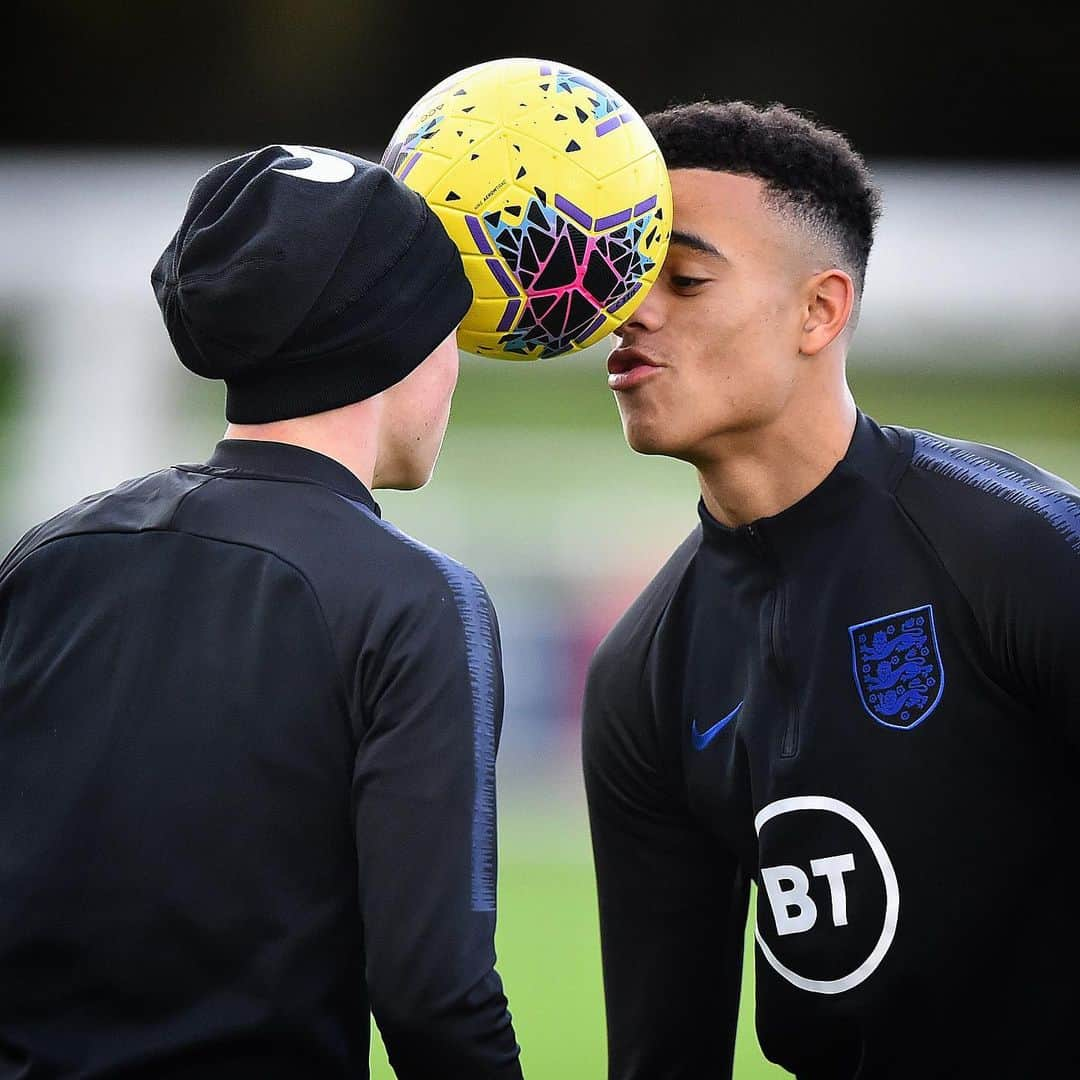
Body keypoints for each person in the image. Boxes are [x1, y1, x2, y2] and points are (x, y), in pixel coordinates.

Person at [0, 145, 522, 1078]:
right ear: (396, 343)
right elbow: (433, 997)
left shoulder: (46, 558)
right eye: (448, 331)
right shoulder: (417, 602)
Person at [582, 101, 1080, 1079]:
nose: (632, 311)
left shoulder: (1021, 549)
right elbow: (662, 1051)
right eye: (624, 281)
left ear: (820, 310)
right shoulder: (646, 669)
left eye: (683, 278)